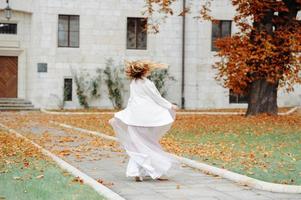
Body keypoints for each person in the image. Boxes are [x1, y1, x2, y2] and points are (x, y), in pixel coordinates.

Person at [109, 60, 178, 182]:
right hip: (147, 119)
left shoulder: (133, 83)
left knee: (138, 145)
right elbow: (156, 98)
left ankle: (137, 172)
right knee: (148, 145)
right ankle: (156, 172)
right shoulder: (147, 83)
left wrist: (123, 115)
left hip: (135, 119)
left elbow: (131, 101)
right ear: (144, 71)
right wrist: (170, 106)